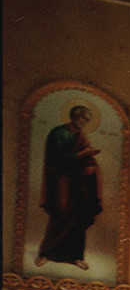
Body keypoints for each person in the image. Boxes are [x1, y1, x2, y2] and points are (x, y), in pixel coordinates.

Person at [35, 105, 101, 270]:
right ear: (74, 116)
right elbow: (57, 158)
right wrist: (81, 155)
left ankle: (76, 256)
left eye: (87, 120)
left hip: (79, 184)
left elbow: (89, 158)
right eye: (83, 118)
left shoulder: (81, 136)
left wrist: (91, 167)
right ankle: (46, 252)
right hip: (61, 181)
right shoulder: (57, 133)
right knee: (60, 214)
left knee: (78, 218)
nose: (84, 122)